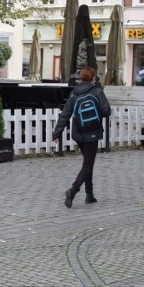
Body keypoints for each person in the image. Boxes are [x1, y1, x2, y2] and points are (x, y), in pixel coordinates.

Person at [52, 67, 111, 208]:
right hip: (92, 133)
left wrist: (57, 133)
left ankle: (89, 195)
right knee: (88, 165)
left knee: (87, 163)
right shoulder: (97, 92)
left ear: (81, 78)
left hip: (78, 133)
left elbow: (65, 114)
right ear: (93, 78)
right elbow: (106, 110)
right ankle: (73, 190)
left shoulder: (74, 93)